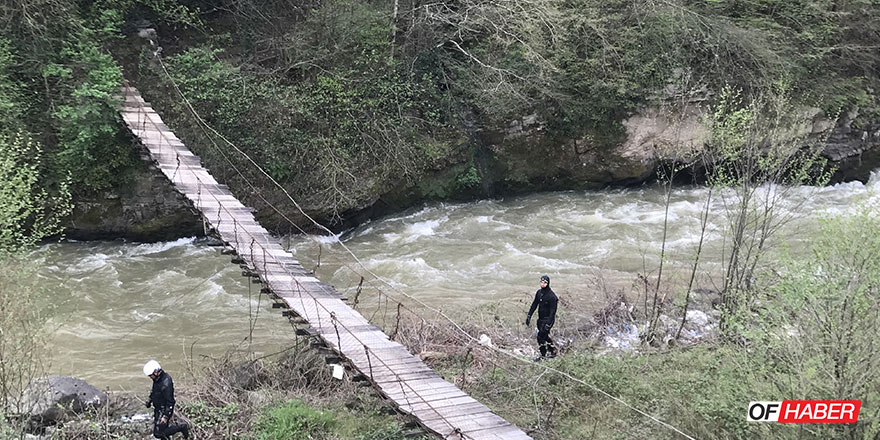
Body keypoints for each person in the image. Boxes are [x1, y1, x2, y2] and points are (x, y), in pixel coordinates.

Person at [143, 360, 190, 439]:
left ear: (156, 372)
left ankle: (182, 427)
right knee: (163, 433)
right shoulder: (157, 379)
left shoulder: (166, 383)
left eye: (151, 375)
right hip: (158, 407)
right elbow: (155, 391)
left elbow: (170, 402)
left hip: (164, 409)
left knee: (158, 433)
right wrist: (150, 400)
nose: (150, 377)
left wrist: (165, 416)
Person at [525, 275, 558, 360]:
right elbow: (534, 304)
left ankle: (543, 355)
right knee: (544, 336)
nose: (542, 284)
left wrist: (548, 324)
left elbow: (553, 312)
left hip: (548, 320)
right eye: (541, 282)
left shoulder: (552, 297)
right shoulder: (539, 293)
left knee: (540, 336)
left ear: (548, 283)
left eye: (544, 282)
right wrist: (529, 315)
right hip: (540, 319)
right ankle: (552, 349)